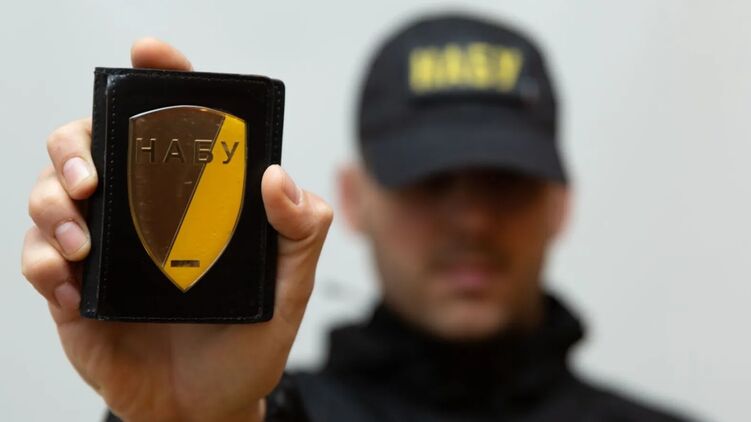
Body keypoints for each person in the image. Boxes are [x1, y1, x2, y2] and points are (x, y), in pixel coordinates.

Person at [21, 13, 691, 422]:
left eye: (504, 183)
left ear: (560, 203)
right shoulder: (260, 413)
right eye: (428, 182)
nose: (471, 222)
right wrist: (191, 421)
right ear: (354, 196)